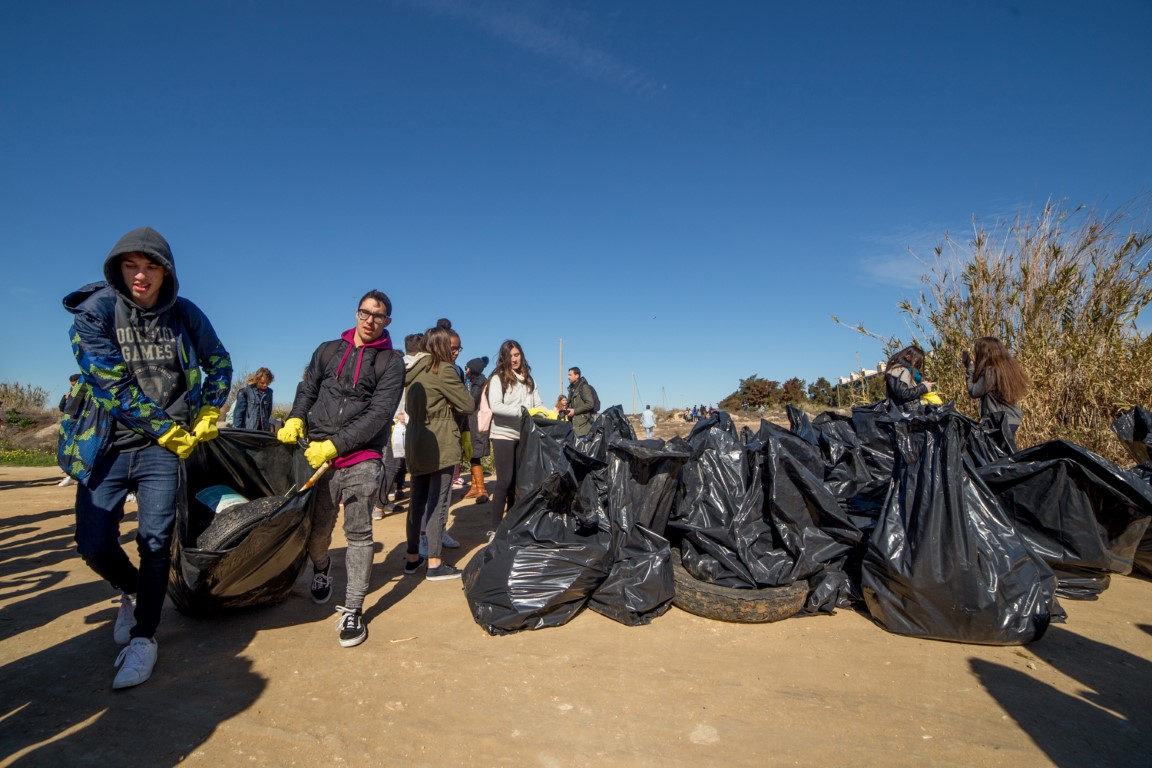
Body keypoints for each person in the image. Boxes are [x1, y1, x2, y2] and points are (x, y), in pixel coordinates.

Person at [59, 226, 232, 689]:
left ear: (166, 271)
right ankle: (132, 590)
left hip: (163, 452)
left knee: (156, 542)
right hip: (107, 443)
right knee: (93, 541)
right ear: (117, 267)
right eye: (131, 265)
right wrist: (167, 428)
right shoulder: (93, 312)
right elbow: (108, 382)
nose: (141, 275)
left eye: (151, 266)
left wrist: (211, 408)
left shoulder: (185, 314)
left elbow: (218, 361)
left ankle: (145, 638)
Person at [277, 290, 403, 648]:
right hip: (316, 454)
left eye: (378, 316)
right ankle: (321, 569)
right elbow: (308, 389)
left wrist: (337, 445)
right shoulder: (328, 349)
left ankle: (353, 609)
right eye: (365, 313)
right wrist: (296, 418)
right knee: (317, 533)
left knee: (359, 533)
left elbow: (379, 413)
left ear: (387, 322)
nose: (369, 320)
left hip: (361, 456)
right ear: (356, 313)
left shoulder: (391, 362)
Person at [401, 325, 475, 580]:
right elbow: (468, 404)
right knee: (437, 502)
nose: (456, 352)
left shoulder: (412, 370)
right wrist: (448, 401)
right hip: (440, 439)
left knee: (417, 501)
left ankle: (413, 557)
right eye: (453, 347)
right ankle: (434, 562)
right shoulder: (443, 370)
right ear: (443, 346)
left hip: (415, 438)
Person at [487, 340, 544, 539]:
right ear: (504, 357)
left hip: (523, 435)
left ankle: (511, 523)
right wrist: (523, 412)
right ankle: (494, 528)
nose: (514, 359)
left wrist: (545, 414)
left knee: (518, 483)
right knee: (504, 480)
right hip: (503, 434)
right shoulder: (498, 378)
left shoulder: (529, 380)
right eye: (510, 355)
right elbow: (495, 406)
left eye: (517, 354)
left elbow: (538, 404)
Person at [965, 336, 1028, 447]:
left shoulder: (991, 372)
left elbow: (974, 391)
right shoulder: (1006, 369)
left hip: (998, 421)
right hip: (1011, 418)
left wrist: (970, 369)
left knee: (1000, 456)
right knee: (1005, 453)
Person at [463, 356, 491, 502]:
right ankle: (474, 486)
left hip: (476, 423)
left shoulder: (478, 384)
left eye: (467, 367)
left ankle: (481, 489)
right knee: (473, 455)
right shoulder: (477, 382)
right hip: (474, 423)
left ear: (472, 369)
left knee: (475, 454)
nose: (465, 370)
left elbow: (471, 402)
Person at [372, 412, 407, 520]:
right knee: (393, 464)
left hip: (404, 420)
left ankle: (383, 502)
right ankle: (379, 506)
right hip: (397, 423)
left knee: (395, 464)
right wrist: (400, 414)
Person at [56, 374, 81, 487]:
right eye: (72, 385)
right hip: (69, 425)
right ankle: (70, 475)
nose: (73, 387)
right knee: (66, 449)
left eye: (75, 385)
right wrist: (66, 399)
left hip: (81, 426)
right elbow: (62, 408)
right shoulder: (69, 393)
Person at [232, 367, 275, 431]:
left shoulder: (269, 392)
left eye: (267, 383)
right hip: (248, 429)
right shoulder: (245, 391)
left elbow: (268, 411)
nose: (265, 385)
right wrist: (237, 430)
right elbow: (238, 413)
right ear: (257, 380)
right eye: (262, 383)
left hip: (263, 430)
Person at [565, 366, 599, 437]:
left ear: (577, 376)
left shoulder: (583, 387)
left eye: (570, 375)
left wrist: (575, 411)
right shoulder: (571, 389)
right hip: (573, 427)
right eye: (568, 375)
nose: (568, 377)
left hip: (583, 428)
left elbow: (590, 404)